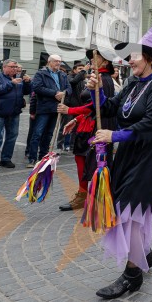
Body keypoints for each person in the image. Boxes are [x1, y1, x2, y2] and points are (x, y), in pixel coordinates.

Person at [85, 21, 152, 299]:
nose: (129, 59)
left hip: (151, 156)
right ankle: (143, 252)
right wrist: (97, 90)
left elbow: (151, 122)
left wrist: (115, 136)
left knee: (128, 211)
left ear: (149, 58)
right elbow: (112, 107)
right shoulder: (134, 83)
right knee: (127, 210)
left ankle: (132, 274)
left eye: (134, 55)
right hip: (129, 154)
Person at [57, 49, 117, 211]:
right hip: (86, 124)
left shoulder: (105, 79)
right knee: (81, 160)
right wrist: (76, 120)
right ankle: (83, 195)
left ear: (105, 62)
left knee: (97, 163)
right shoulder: (95, 77)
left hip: (98, 127)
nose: (91, 60)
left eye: (95, 57)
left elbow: (97, 106)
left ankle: (99, 196)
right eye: (90, 57)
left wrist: (70, 111)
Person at [0, 60, 31, 170]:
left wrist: (28, 82)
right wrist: (11, 83)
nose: (15, 69)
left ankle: (6, 159)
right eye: (12, 66)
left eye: (16, 67)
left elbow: (26, 92)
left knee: (12, 137)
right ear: (4, 67)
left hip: (14, 112)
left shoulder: (19, 78)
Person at [29, 55, 72, 167]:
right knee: (37, 133)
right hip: (44, 107)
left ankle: (43, 156)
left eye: (60, 61)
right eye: (56, 61)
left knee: (49, 134)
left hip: (56, 108)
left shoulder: (62, 74)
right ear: (49, 62)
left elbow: (69, 88)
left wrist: (64, 93)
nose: (58, 63)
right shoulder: (41, 73)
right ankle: (32, 158)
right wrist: (55, 93)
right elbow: (37, 87)